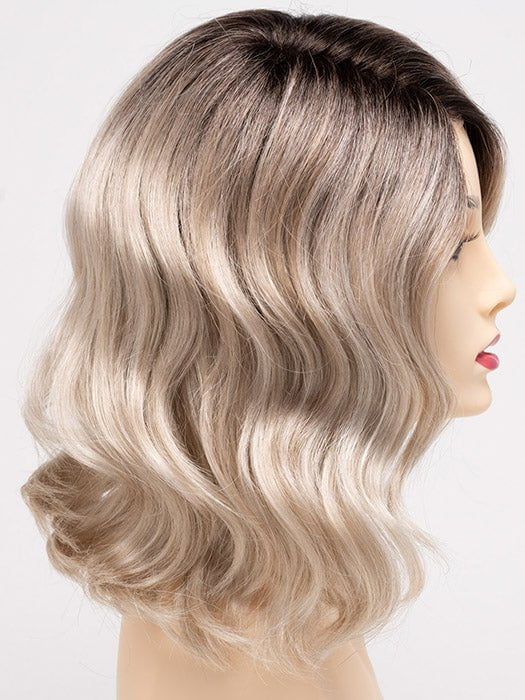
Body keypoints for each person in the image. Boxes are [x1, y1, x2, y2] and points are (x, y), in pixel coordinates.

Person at [20, 9, 516, 700]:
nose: (501, 287)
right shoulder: (251, 644)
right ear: (291, 291)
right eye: (452, 246)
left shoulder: (287, 587)